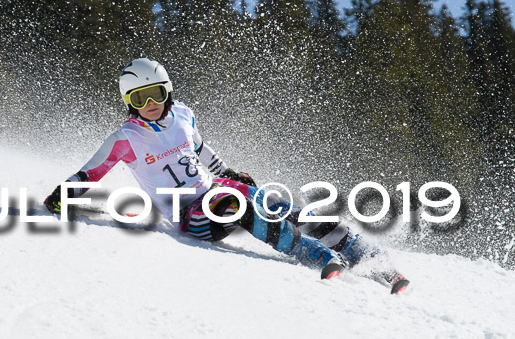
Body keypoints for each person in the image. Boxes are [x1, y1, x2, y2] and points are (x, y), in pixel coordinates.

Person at [44, 58, 409, 294]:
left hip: (214, 188)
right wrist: (62, 195)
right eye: (139, 99)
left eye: (154, 94)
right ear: (129, 103)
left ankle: (368, 256)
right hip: (190, 214)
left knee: (280, 206)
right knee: (236, 206)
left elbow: (201, 151)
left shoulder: (183, 115)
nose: (149, 104)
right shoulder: (126, 138)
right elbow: (91, 171)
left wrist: (231, 173)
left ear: (167, 92)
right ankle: (312, 254)